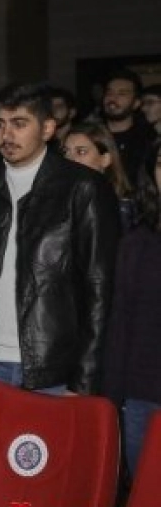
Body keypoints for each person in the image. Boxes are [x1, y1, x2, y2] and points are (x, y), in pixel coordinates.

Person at [0, 83, 119, 403]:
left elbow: (99, 289)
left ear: (48, 128)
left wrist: (84, 379)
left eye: (19, 123)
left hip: (55, 366)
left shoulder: (83, 188)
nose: (7, 135)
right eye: (0, 124)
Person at [105, 141, 161, 477]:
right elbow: (120, 326)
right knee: (143, 494)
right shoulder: (136, 243)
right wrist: (112, 404)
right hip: (143, 394)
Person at [61, 121, 136, 230]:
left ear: (105, 159)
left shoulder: (121, 209)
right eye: (65, 152)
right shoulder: (58, 201)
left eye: (81, 152)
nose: (70, 159)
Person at [101, 69, 157, 181]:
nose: (112, 98)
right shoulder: (90, 136)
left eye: (122, 94)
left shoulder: (148, 141)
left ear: (136, 103)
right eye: (109, 93)